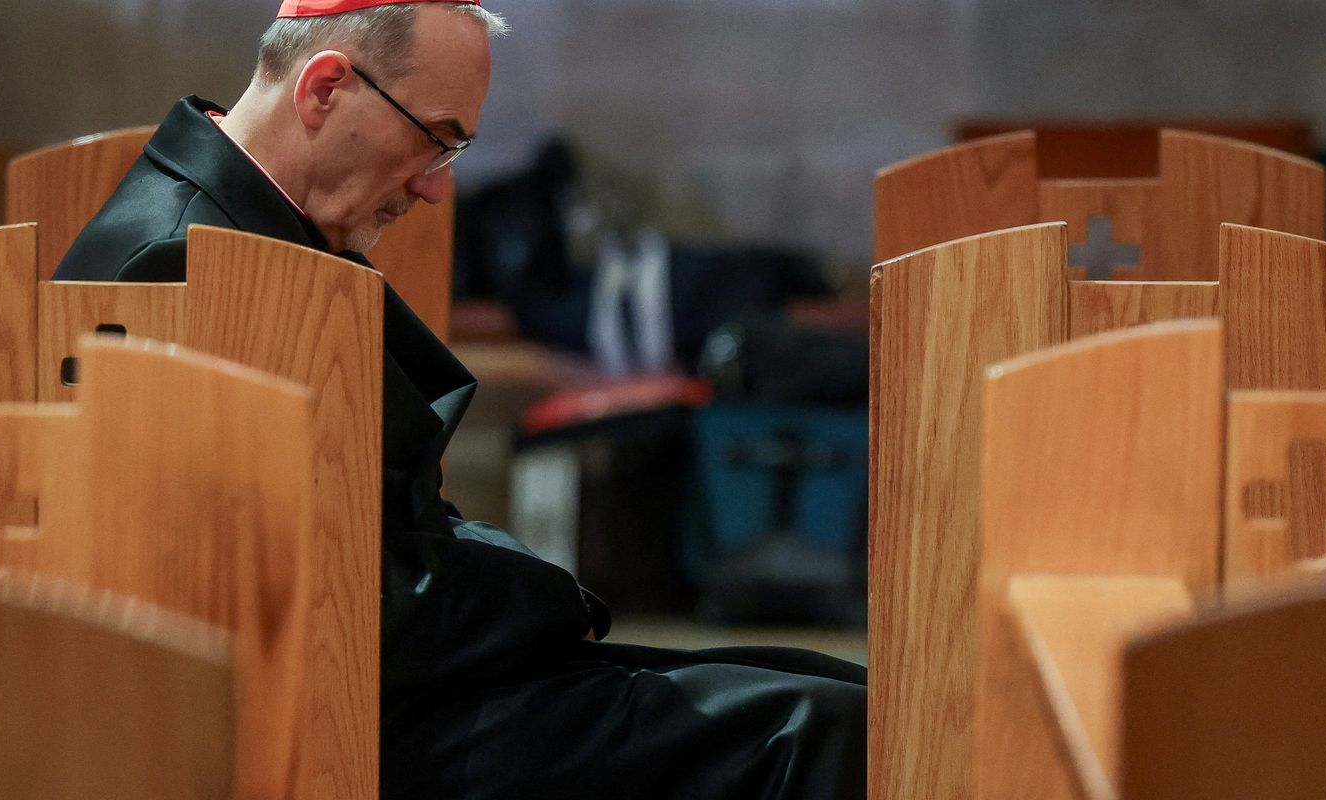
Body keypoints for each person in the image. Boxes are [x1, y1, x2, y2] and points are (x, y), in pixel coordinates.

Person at [53, 2, 866, 797]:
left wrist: (526, 592)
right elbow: (276, 593)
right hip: (332, 727)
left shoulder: (252, 223)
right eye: (434, 140)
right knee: (821, 730)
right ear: (324, 88)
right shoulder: (182, 265)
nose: (437, 191)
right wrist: (543, 598)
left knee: (838, 692)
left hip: (399, 683)